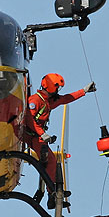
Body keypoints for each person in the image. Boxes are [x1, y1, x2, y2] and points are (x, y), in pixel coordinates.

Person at [24, 73, 96, 209]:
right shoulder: (36, 100)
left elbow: (65, 99)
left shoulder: (47, 101)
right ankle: (53, 194)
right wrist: (43, 134)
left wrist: (84, 91)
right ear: (50, 87)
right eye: (57, 88)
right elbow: (29, 119)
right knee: (51, 161)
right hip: (31, 136)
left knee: (53, 162)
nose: (58, 91)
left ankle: (56, 193)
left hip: (37, 136)